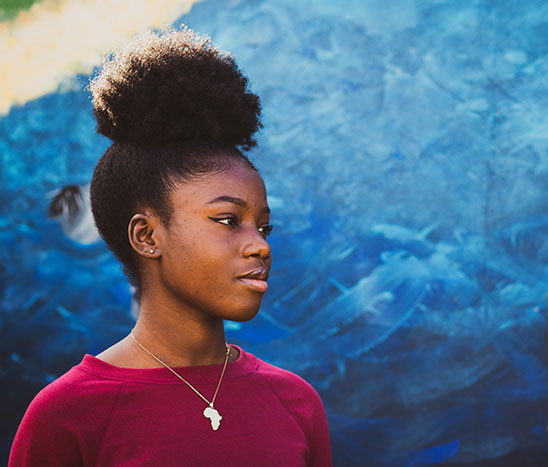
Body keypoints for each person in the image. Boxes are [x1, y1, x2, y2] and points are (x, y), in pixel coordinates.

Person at [9, 27, 332, 466]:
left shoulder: (296, 402)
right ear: (147, 236)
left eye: (264, 227)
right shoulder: (66, 418)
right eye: (228, 220)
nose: (259, 246)